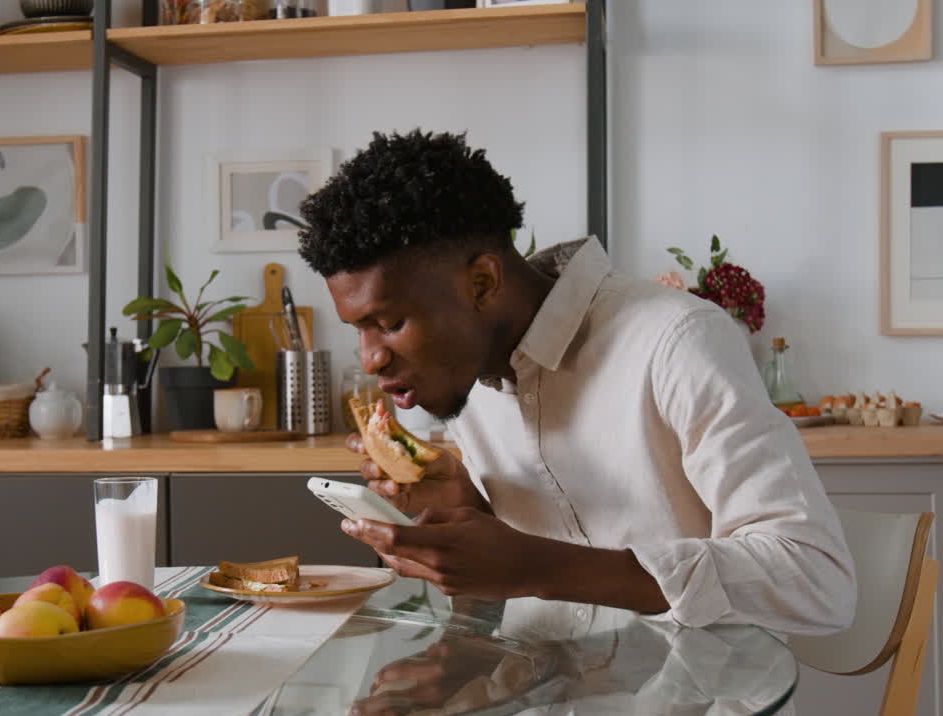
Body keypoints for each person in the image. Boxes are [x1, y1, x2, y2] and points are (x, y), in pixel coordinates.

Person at [296, 129, 856, 637]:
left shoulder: (676, 341)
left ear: (483, 283)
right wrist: (470, 506)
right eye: (359, 331)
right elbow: (538, 592)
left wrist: (537, 566)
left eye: (390, 323)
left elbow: (817, 581)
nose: (370, 359)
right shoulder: (469, 376)